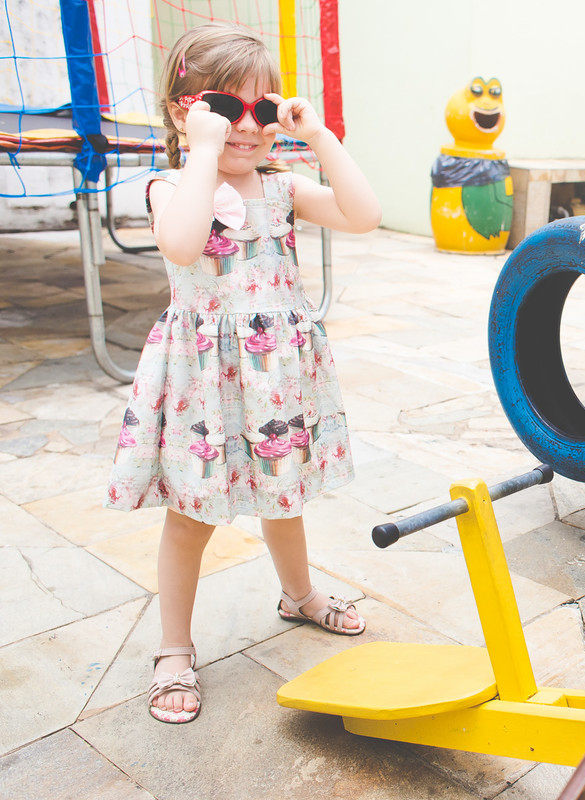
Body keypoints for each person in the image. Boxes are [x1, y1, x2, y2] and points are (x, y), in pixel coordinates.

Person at [105, 22, 381, 724]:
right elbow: (183, 241)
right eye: (225, 110)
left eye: (262, 110)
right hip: (203, 378)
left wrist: (316, 136)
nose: (247, 127)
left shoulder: (282, 188)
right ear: (184, 112)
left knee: (284, 498)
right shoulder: (172, 186)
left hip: (275, 380)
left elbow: (364, 214)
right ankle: (173, 646)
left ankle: (300, 595)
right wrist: (201, 153)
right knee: (190, 516)